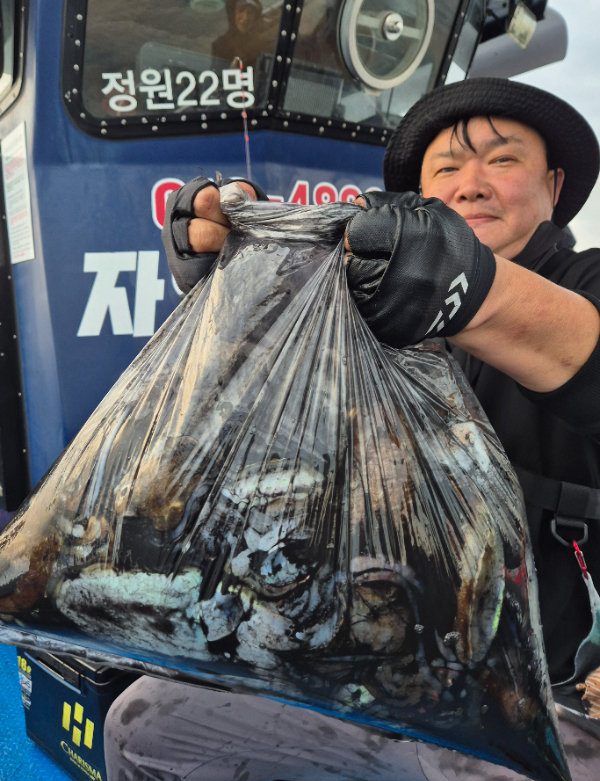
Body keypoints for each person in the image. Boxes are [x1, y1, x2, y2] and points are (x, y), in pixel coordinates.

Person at [104, 78, 600, 780]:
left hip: (552, 697)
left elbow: (579, 344)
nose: (472, 183)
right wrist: (237, 274)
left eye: (502, 159)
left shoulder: (587, 283)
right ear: (421, 197)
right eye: (448, 168)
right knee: (144, 725)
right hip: (382, 663)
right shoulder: (367, 306)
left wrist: (472, 287)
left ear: (554, 185)